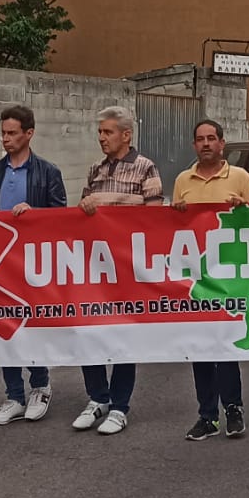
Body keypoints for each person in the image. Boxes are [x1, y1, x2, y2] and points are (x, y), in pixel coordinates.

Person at [74, 104, 165, 435]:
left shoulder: (146, 168)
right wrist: (85, 207)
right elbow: (83, 212)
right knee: (89, 331)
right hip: (97, 267)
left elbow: (154, 217)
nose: (101, 138)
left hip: (127, 268)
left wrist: (114, 211)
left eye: (107, 131)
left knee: (124, 336)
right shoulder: (95, 169)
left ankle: (120, 406)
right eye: (99, 132)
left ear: (126, 135)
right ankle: (97, 397)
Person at [0, 105, 68, 426]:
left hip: (33, 265)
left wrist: (36, 213)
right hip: (1, 267)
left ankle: (40, 386)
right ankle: (13, 395)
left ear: (29, 133)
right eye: (3, 132)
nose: (5, 139)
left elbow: (61, 221)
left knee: (32, 327)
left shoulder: (47, 173)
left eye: (12, 133)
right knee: (5, 328)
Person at [171, 120, 249, 441]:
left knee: (225, 346)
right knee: (201, 348)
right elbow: (172, 230)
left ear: (222, 144)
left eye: (211, 138)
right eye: (200, 139)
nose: (206, 144)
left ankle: (233, 409)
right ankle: (207, 416)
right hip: (197, 277)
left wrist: (243, 209)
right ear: (194, 145)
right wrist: (176, 211)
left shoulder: (239, 177)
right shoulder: (183, 180)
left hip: (229, 275)